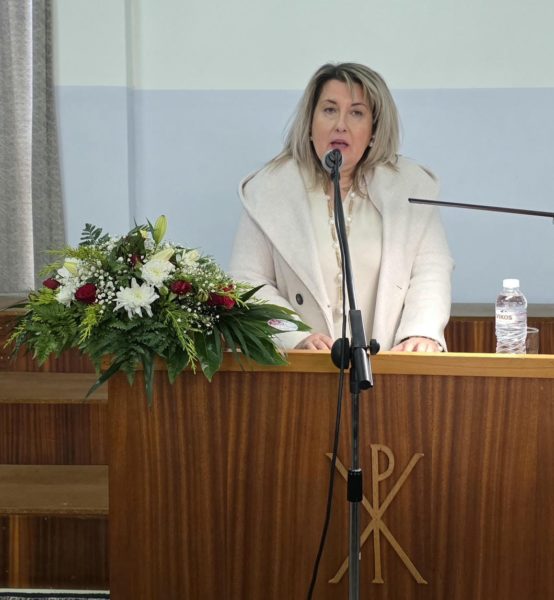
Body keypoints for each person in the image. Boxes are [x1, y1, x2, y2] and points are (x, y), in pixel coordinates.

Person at [230, 62, 454, 352]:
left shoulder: (410, 188)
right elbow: (248, 281)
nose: (340, 124)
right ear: (310, 124)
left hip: (387, 363)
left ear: (373, 131)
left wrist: (420, 333)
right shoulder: (269, 189)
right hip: (300, 365)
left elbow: (431, 270)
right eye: (329, 110)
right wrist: (296, 336)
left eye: (356, 113)